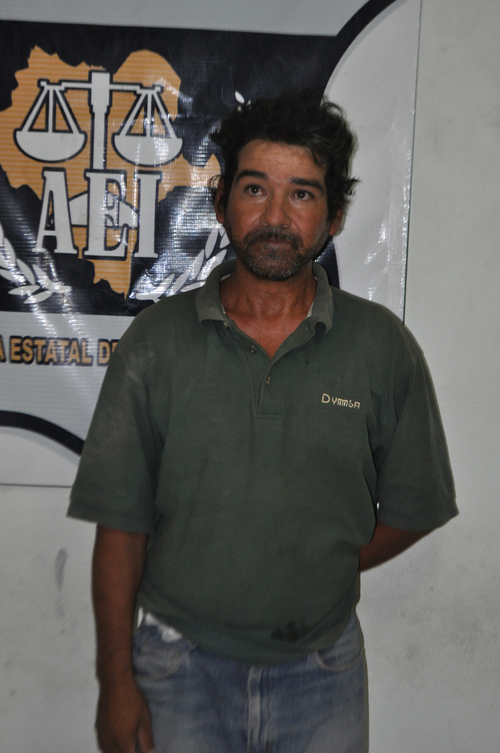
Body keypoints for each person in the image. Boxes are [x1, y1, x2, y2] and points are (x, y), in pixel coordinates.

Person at [68, 90, 457, 753]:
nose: (275, 217)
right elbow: (120, 527)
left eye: (302, 194)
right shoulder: (156, 342)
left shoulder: (381, 346)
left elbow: (416, 506)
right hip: (176, 669)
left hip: (323, 672)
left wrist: (321, 563)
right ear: (221, 204)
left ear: (334, 217)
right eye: (255, 189)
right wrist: (115, 682)